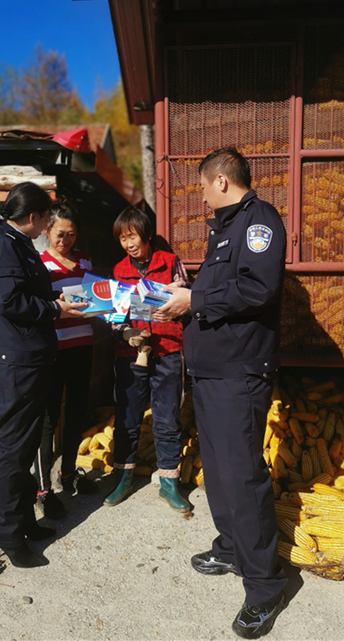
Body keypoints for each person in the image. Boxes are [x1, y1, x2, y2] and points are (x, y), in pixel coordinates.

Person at [154, 148, 288, 639]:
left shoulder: (259, 223)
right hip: (212, 372)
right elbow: (224, 288)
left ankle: (264, 587)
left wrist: (197, 298)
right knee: (220, 471)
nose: (202, 196)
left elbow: (257, 289)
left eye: (204, 187)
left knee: (242, 476)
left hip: (238, 372)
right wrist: (188, 292)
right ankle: (232, 548)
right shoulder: (225, 228)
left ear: (224, 181)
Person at [0, 183, 82, 568]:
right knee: (12, 453)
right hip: (14, 363)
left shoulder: (16, 243)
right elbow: (9, 301)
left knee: (21, 450)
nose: (48, 227)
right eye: (46, 220)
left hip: (29, 360)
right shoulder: (2, 245)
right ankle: (8, 537)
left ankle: (23, 523)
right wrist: (55, 309)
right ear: (33, 217)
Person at [103, 207, 189, 512]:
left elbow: (187, 303)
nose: (128, 244)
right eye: (122, 239)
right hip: (131, 355)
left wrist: (180, 293)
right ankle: (123, 479)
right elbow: (114, 316)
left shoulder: (170, 263)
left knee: (167, 419)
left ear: (146, 234)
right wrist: (127, 334)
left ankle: (169, 484)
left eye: (132, 236)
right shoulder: (118, 271)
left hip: (167, 350)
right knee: (127, 419)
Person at [34, 200, 97, 520]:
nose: (65, 241)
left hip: (82, 345)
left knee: (76, 412)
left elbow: (97, 301)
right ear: (46, 230)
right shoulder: (39, 263)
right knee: (47, 418)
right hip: (53, 349)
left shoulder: (85, 260)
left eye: (71, 235)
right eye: (60, 234)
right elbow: (36, 307)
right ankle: (43, 490)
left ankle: (68, 474)